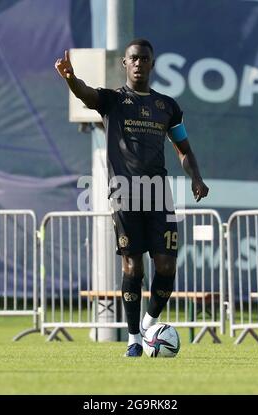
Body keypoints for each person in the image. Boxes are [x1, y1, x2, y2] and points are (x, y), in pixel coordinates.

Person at [55, 38, 209, 357]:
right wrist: (70, 78)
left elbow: (184, 148)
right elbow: (86, 94)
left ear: (152, 64)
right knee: (133, 268)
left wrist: (195, 176)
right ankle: (134, 339)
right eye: (133, 59)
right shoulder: (112, 100)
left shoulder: (167, 106)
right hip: (124, 195)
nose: (139, 63)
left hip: (158, 194)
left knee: (166, 264)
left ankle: (150, 324)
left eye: (144, 59)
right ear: (125, 64)